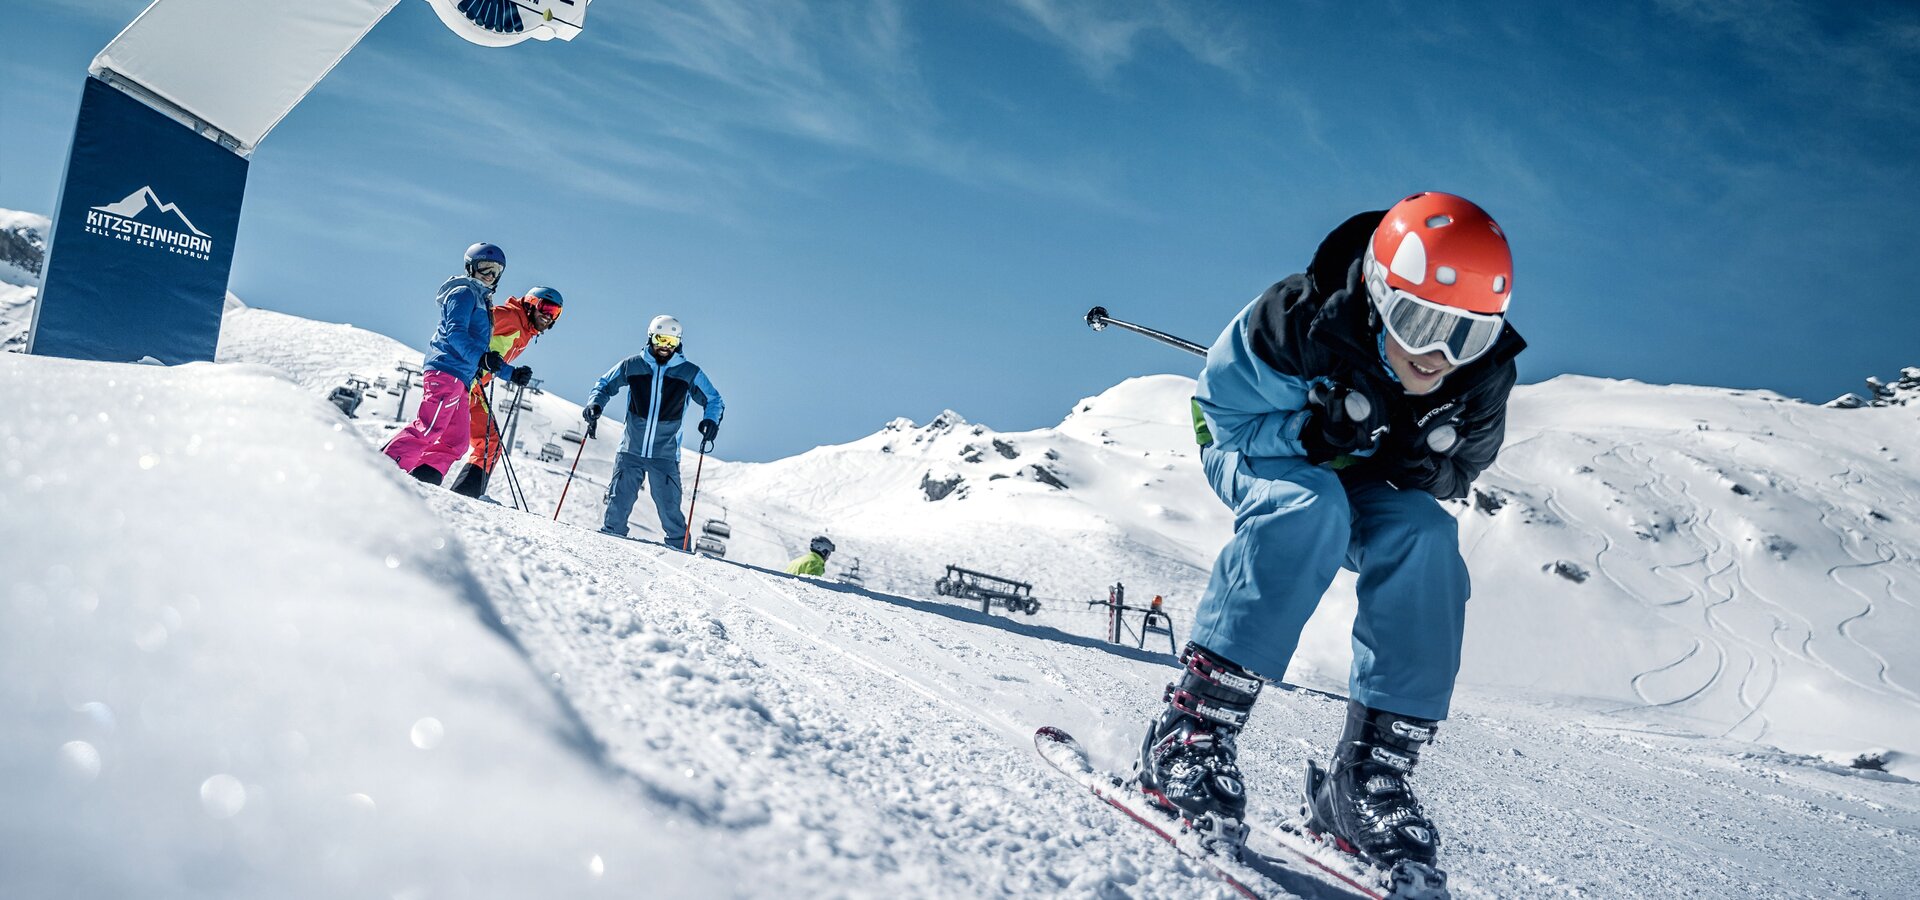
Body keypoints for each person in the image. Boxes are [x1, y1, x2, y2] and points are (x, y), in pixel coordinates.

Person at [1134, 192, 1526, 875]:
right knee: (1309, 506)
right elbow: (1219, 419)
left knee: (1426, 536)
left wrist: (1416, 458)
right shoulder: (1295, 323)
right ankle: (1191, 730)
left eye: (1464, 336)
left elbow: (1459, 469)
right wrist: (1310, 430)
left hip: (1367, 479)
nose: (1436, 356)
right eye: (1416, 323)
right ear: (1377, 295)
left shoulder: (1479, 381)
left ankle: (1365, 782)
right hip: (1260, 450)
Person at [383, 243, 532, 484]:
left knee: (456, 441)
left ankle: (422, 480)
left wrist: (511, 374)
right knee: (429, 427)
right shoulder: (463, 293)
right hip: (446, 369)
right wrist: (482, 358)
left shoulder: (483, 303)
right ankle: (384, 469)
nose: (490, 276)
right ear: (470, 268)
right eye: (485, 269)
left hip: (462, 379)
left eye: (496, 271)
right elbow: (455, 333)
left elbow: (483, 354)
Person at [584, 315, 724, 546]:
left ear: (678, 342)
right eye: (660, 339)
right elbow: (604, 384)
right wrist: (595, 403)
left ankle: (680, 552)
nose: (664, 347)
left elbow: (714, 399)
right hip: (630, 449)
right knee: (617, 507)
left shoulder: (689, 372)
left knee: (671, 512)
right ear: (651, 337)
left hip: (665, 454)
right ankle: (608, 547)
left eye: (670, 341)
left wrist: (711, 421)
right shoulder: (633, 365)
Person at [447, 286, 563, 498]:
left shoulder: (526, 331)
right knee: (446, 439)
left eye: (555, 312)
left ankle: (464, 497)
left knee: (491, 443)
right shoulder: (509, 316)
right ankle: (399, 473)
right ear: (530, 304)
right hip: (460, 383)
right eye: (545, 307)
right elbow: (468, 329)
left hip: (475, 391)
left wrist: (512, 373)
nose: (548, 315)